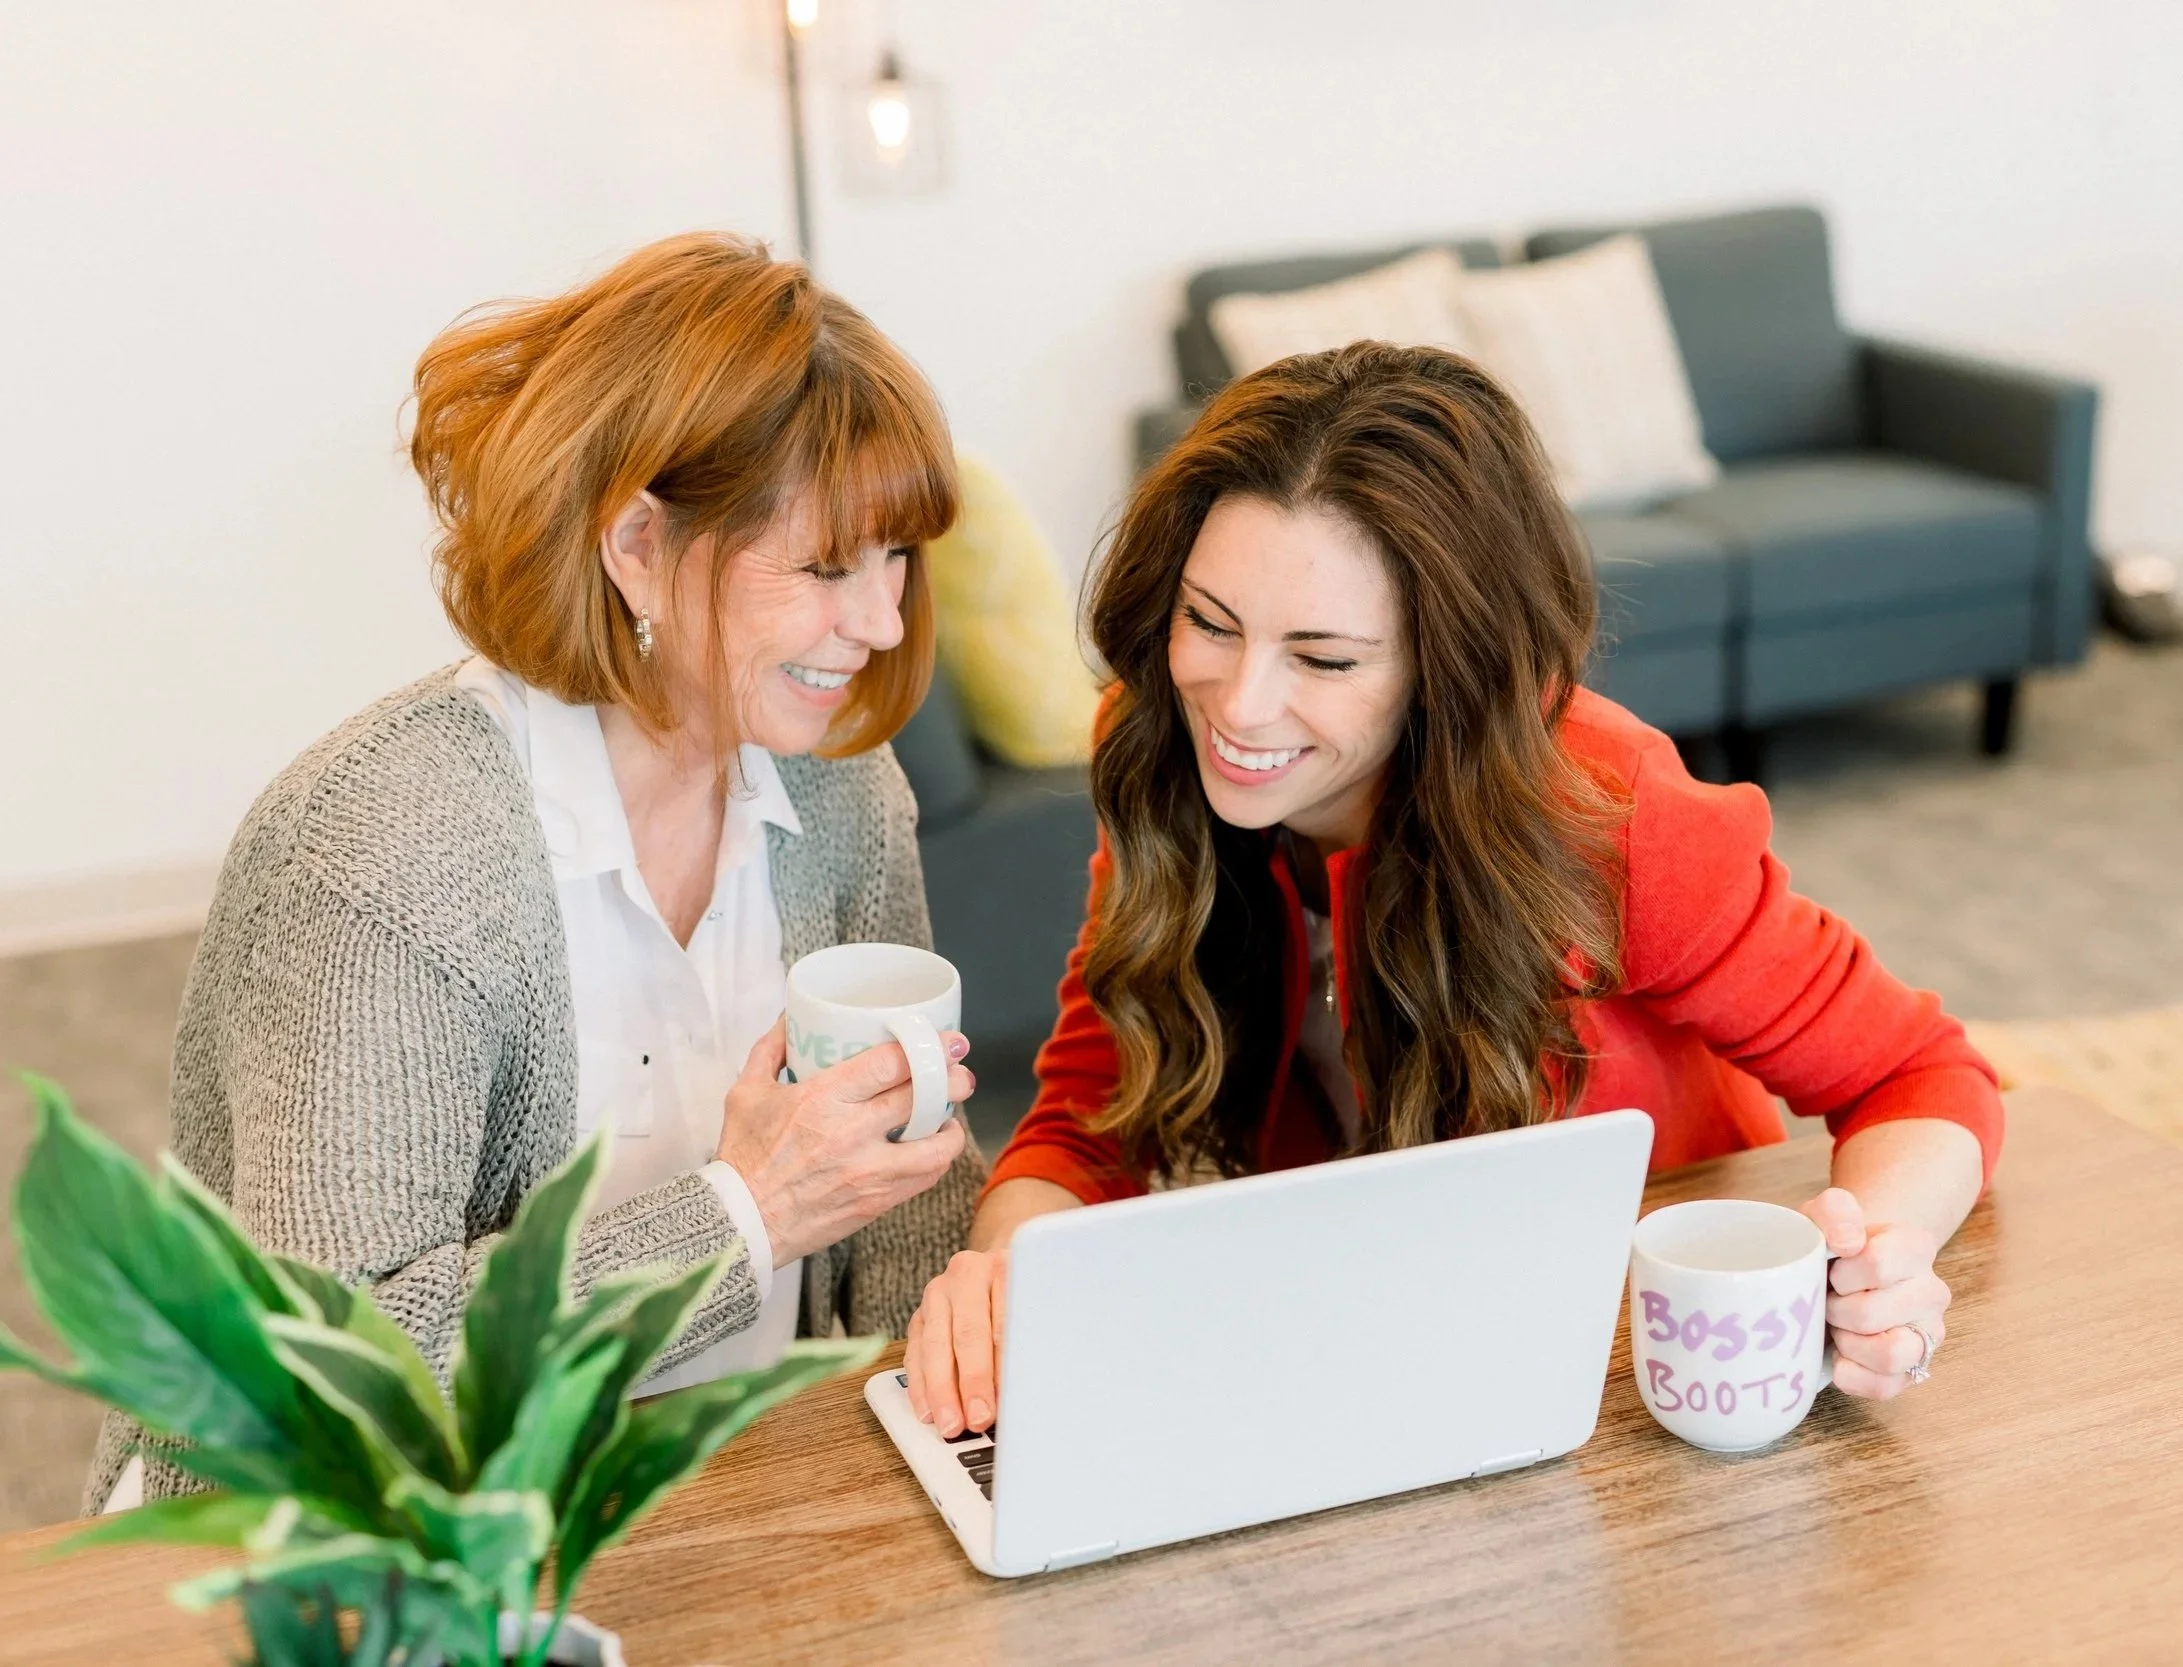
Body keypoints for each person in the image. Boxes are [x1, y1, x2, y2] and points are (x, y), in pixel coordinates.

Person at [906, 342, 1998, 1440]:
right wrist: (1003, 1269)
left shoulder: (1609, 814)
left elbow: (1917, 1072)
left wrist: (1879, 1253)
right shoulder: (1162, 756)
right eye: (1210, 623)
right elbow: (1088, 1119)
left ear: (1445, 669)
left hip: (1636, 1387)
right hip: (1375, 1361)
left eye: (1322, 659)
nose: (1236, 706)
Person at [88, 234, 983, 1510]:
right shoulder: (385, 853)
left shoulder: (841, 787)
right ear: (633, 544)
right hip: (346, 1545)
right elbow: (324, 1389)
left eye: (897, 558)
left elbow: (904, 1194)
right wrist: (741, 1217)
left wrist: (947, 1416)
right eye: (825, 565)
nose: (886, 621)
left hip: (716, 1493)